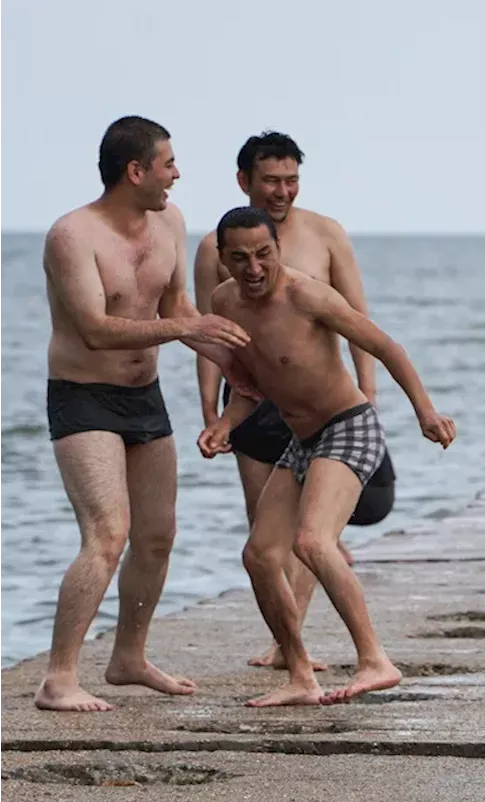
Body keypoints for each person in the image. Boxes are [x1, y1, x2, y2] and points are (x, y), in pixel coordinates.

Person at [36, 116, 253, 712]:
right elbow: (95, 329)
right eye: (168, 163)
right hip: (84, 395)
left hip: (145, 396)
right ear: (135, 171)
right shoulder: (71, 236)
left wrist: (239, 373)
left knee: (157, 536)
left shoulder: (171, 223)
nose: (177, 174)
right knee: (108, 534)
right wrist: (187, 325)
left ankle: (128, 657)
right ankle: (59, 677)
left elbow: (179, 305)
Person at [198, 206, 456, 707]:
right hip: (302, 440)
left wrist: (425, 412)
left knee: (314, 542)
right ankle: (299, 675)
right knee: (258, 555)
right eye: (240, 258)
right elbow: (251, 386)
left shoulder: (307, 294)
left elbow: (387, 346)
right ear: (222, 258)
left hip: (349, 425)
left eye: (263, 255)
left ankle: (376, 660)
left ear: (278, 249)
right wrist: (223, 425)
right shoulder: (223, 302)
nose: (253, 269)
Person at [193, 130, 384, 672]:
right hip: (253, 395)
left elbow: (359, 320)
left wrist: (368, 390)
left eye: (291, 180)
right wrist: (211, 410)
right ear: (245, 181)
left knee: (312, 532)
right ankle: (291, 642)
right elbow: (213, 337)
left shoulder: (325, 235)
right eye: (271, 180)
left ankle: (290, 643)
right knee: (265, 532)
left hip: (323, 401)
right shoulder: (216, 247)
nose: (281, 191)